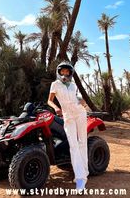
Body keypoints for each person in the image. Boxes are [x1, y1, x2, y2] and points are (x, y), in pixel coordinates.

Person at [47, 61, 89, 191]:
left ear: (70, 73)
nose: (65, 73)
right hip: (68, 116)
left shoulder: (73, 85)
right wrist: (56, 108)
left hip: (80, 113)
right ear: (59, 72)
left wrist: (81, 101)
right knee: (73, 145)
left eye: (67, 71)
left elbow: (76, 98)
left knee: (83, 142)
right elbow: (49, 100)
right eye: (62, 71)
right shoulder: (55, 84)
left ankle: (82, 176)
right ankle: (81, 177)